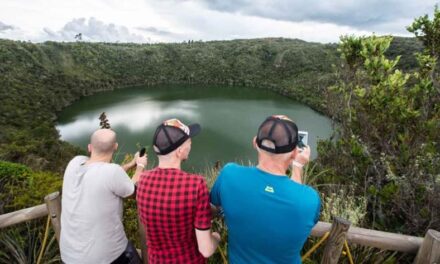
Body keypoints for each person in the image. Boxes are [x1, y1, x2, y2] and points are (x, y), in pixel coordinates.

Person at [210, 115, 321, 264]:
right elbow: (296, 201)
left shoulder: (229, 175)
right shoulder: (309, 200)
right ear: (295, 153)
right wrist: (298, 167)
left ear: (255, 143)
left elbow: (214, 204)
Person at [136, 118, 220, 264]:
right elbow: (206, 249)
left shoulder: (142, 181)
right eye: (189, 142)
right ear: (180, 151)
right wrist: (216, 237)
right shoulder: (195, 184)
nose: (191, 144)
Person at [60, 129, 147, 264]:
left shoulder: (74, 163)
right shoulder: (111, 172)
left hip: (69, 257)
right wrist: (140, 166)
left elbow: (102, 172)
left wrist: (130, 164)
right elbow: (132, 191)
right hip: (107, 257)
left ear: (89, 147)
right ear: (115, 147)